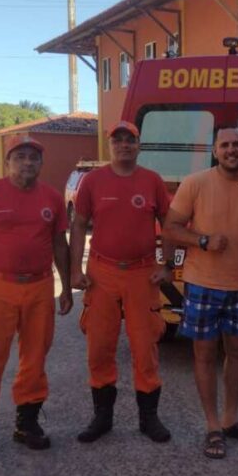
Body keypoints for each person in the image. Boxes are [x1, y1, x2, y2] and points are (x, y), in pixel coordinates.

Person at [163, 126, 238, 459]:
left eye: (237, 144)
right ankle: (212, 426)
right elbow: (170, 228)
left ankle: (231, 419)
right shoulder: (195, 184)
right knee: (204, 355)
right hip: (202, 284)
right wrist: (202, 240)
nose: (231, 149)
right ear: (215, 150)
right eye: (225, 144)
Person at [0, 134, 72, 466]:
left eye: (33, 157)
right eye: (20, 157)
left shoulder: (51, 197)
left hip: (39, 288)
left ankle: (27, 424)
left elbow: (60, 245)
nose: (27, 162)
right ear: (8, 162)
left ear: (41, 164)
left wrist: (66, 286)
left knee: (35, 357)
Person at [70, 121, 174, 445]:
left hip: (142, 275)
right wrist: (74, 270)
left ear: (139, 145)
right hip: (102, 273)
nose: (124, 145)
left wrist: (166, 264)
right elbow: (78, 225)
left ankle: (149, 418)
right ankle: (102, 417)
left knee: (145, 347)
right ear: (110, 144)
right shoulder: (93, 181)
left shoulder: (152, 181)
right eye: (119, 140)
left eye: (131, 140)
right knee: (99, 347)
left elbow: (169, 224)